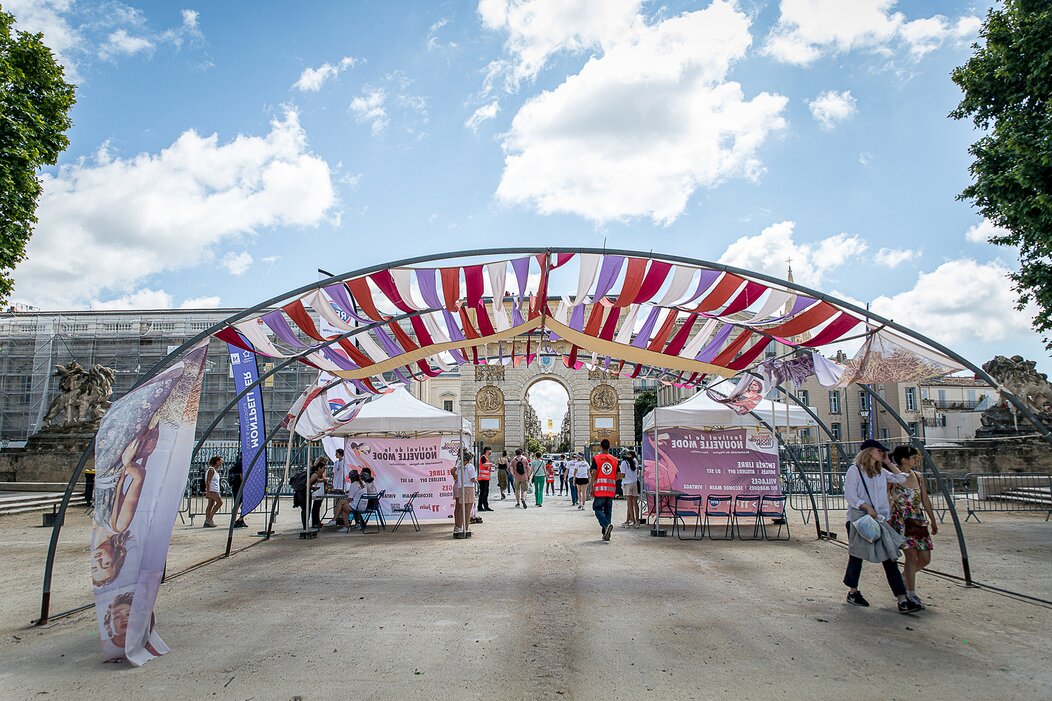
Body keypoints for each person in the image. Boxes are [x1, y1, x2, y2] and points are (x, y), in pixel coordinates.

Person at [843, 440, 922, 613]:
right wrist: (866, 506)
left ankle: (902, 598)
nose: (882, 453)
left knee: (890, 557)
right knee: (857, 555)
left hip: (880, 520)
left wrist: (888, 462)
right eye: (880, 451)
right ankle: (853, 591)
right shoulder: (855, 471)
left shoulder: (881, 471)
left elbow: (902, 478)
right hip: (861, 519)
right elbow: (850, 495)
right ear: (869, 451)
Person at [889, 445, 938, 608]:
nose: (916, 460)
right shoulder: (893, 476)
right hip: (901, 520)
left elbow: (925, 499)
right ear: (904, 460)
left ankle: (904, 578)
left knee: (924, 558)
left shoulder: (918, 476)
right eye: (913, 457)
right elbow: (885, 497)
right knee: (911, 556)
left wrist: (932, 519)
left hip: (917, 520)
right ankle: (911, 593)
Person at [590, 440, 618, 541]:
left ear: (601, 447)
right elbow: (619, 475)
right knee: (608, 511)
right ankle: (606, 534)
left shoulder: (597, 458)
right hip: (611, 490)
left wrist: (591, 486)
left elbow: (594, 473)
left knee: (597, 509)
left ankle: (606, 526)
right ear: (609, 447)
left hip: (600, 489)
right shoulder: (615, 460)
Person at [451, 450, 477, 538]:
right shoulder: (470, 467)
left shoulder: (459, 466)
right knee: (468, 509)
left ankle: (459, 526)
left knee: (462, 508)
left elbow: (456, 475)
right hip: (469, 487)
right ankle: (466, 527)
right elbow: (472, 478)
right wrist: (476, 480)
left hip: (460, 487)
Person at [620, 451, 641, 528]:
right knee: (635, 503)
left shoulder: (623, 463)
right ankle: (636, 520)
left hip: (627, 484)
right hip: (634, 482)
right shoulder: (634, 460)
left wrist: (617, 477)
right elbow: (638, 472)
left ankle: (633, 521)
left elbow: (623, 475)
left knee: (629, 504)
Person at [228, 452, 248, 529]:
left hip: (236, 486)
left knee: (238, 504)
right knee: (240, 504)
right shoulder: (240, 464)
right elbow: (241, 475)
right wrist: (244, 485)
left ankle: (239, 520)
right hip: (240, 486)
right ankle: (238, 520)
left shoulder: (236, 464)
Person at [203, 456, 224, 528]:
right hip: (212, 490)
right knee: (219, 503)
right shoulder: (211, 470)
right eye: (220, 461)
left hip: (214, 489)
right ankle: (209, 519)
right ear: (217, 461)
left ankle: (207, 520)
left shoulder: (214, 470)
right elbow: (208, 481)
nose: (222, 462)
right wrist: (208, 492)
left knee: (210, 505)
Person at [477, 447, 494, 512]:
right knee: (482, 493)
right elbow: (484, 465)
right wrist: (490, 464)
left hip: (486, 478)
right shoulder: (483, 457)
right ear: (487, 451)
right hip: (482, 478)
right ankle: (480, 506)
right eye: (490, 450)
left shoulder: (486, 458)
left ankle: (486, 506)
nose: (491, 452)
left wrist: (490, 468)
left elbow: (485, 467)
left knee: (486, 493)